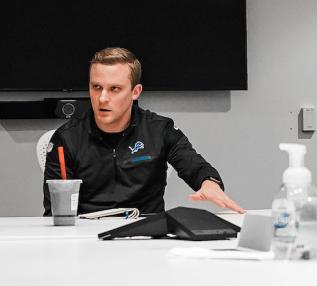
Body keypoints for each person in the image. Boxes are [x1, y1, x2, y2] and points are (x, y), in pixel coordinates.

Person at [42, 47, 243, 216]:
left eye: (114, 89)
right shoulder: (66, 138)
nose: (102, 98)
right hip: (87, 239)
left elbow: (194, 165)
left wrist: (209, 183)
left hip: (147, 234)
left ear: (135, 92)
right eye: (96, 87)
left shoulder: (160, 130)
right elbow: (55, 214)